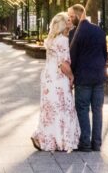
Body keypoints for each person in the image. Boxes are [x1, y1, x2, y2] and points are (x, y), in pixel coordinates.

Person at [30, 13, 80, 152]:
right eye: (68, 21)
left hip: (48, 76)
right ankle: (62, 140)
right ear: (63, 24)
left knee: (49, 108)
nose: (70, 23)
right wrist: (71, 76)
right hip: (59, 78)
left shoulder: (51, 40)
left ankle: (44, 137)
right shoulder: (63, 40)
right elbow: (63, 63)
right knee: (62, 106)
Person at [68, 3, 107, 152]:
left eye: (72, 16)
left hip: (83, 77)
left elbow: (73, 58)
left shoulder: (74, 34)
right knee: (98, 110)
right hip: (98, 76)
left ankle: (85, 142)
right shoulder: (99, 31)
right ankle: (96, 143)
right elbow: (104, 54)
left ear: (79, 15)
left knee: (82, 109)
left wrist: (72, 75)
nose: (70, 19)